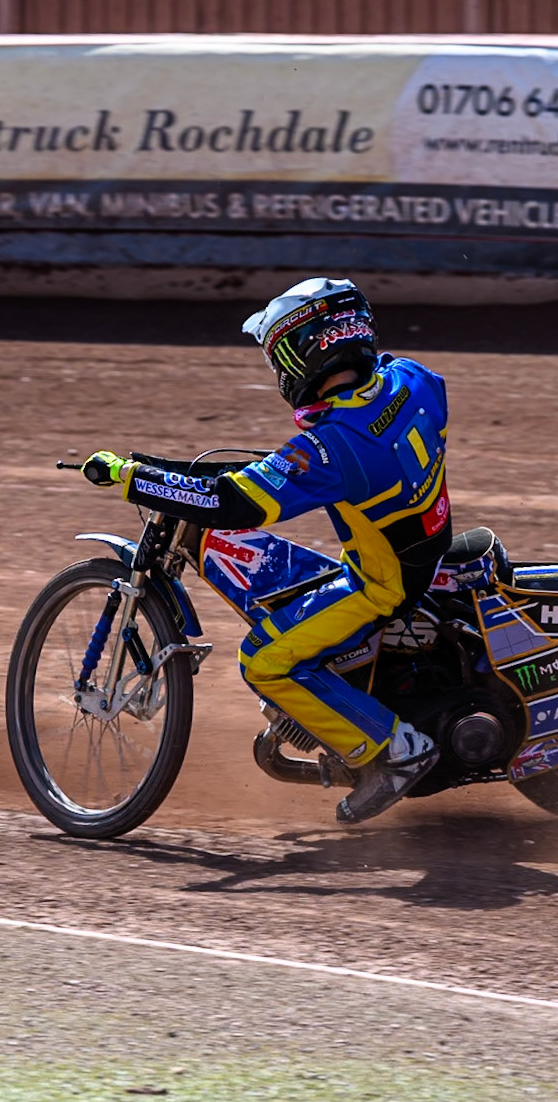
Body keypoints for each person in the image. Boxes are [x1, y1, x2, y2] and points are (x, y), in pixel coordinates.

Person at [83, 277, 450, 823]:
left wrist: (130, 476)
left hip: (382, 584)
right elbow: (345, 442)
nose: (278, 370)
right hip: (427, 550)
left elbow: (233, 503)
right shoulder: (412, 380)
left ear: (306, 353)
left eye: (279, 356)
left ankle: (395, 750)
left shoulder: (332, 447)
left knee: (264, 657)